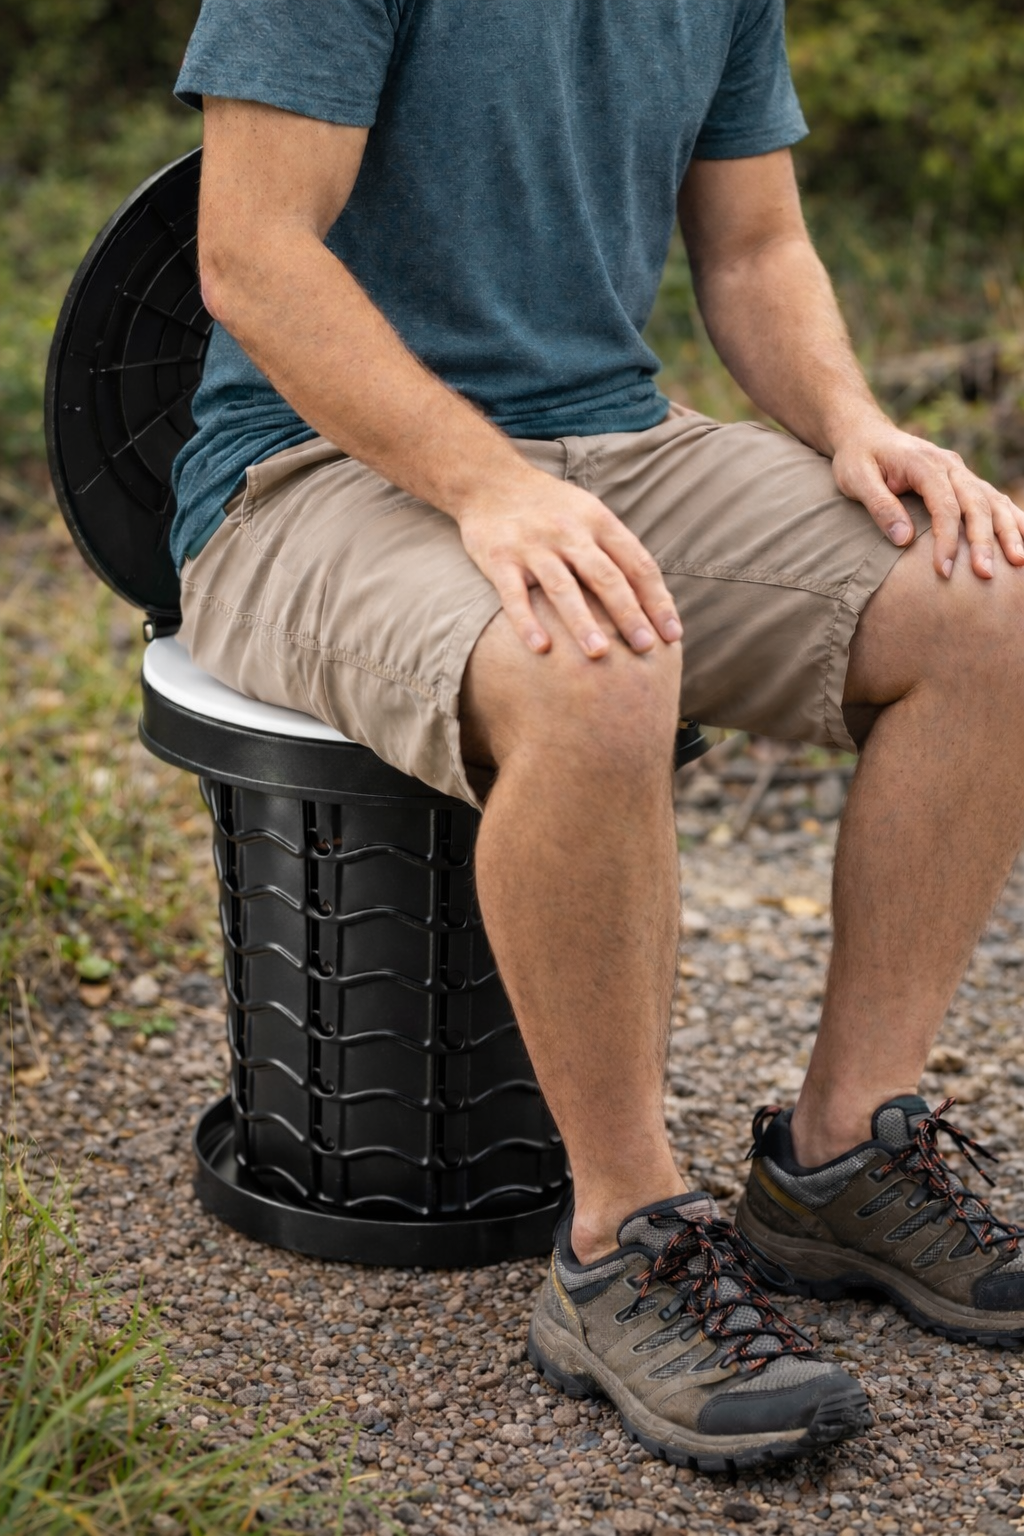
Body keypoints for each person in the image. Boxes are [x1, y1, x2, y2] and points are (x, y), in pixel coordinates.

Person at [170, 0, 1024, 1473]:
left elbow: (754, 248)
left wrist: (852, 422)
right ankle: (623, 1238)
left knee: (990, 597)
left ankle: (841, 1156)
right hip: (308, 474)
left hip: (617, 443)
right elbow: (252, 253)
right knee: (597, 659)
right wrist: (487, 484)